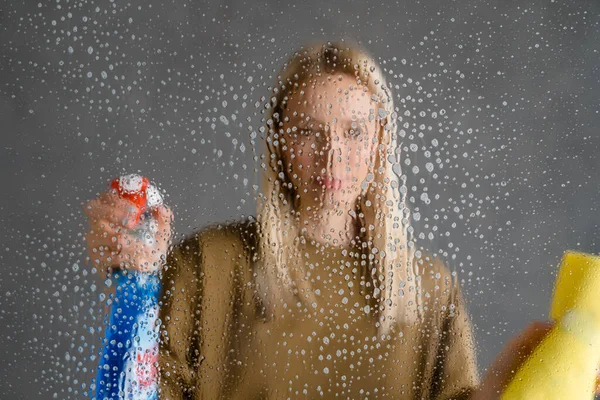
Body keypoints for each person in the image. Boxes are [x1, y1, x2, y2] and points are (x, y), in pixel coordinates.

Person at [84, 42, 559, 399]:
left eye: (354, 132)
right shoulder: (207, 264)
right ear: (280, 146)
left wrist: (522, 374)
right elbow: (132, 392)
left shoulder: (429, 290)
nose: (334, 157)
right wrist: (135, 285)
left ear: (379, 143)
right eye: (309, 132)